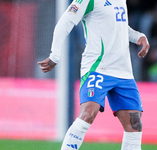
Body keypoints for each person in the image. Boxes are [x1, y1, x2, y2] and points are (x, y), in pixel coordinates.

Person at [38, 0, 150, 149]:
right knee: (88, 113)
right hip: (98, 67)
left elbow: (119, 27)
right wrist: (55, 55)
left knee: (134, 123)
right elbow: (65, 22)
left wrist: (138, 36)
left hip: (123, 72)